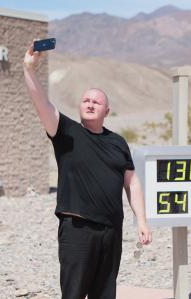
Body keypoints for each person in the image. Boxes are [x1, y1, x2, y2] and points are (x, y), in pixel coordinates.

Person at [23, 41, 152, 299]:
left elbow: (132, 182)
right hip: (77, 230)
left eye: (96, 102)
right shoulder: (66, 132)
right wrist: (29, 70)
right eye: (85, 100)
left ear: (107, 110)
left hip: (111, 231)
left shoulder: (118, 142)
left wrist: (142, 220)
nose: (90, 104)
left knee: (105, 294)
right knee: (73, 294)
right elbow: (42, 104)